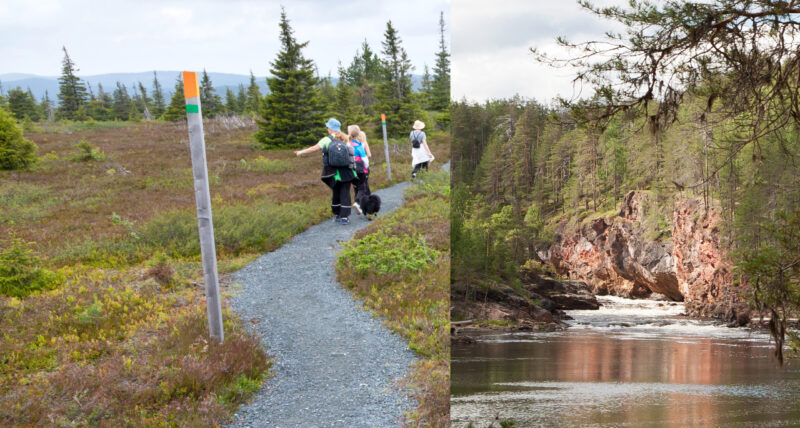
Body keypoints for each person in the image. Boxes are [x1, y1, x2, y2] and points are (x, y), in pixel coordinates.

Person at [295, 118, 356, 225]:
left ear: (330, 129)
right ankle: (345, 217)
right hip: (346, 171)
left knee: (336, 191)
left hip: (332, 172)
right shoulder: (345, 138)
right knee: (345, 192)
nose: (327, 128)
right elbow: (351, 153)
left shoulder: (326, 140)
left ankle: (337, 214)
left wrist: (301, 152)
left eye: (327, 127)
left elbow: (314, 148)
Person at [348, 125, 371, 214]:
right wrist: (366, 168)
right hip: (360, 169)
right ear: (358, 134)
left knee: (356, 187)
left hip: (350, 169)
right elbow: (365, 160)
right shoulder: (358, 146)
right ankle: (358, 202)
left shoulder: (347, 145)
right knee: (363, 187)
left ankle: (359, 204)